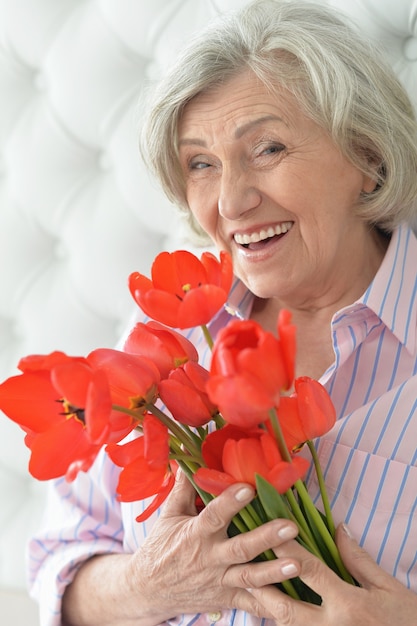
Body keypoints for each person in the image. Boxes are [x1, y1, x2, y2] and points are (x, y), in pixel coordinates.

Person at [28, 1, 417, 624]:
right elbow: (57, 561)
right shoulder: (168, 340)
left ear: (367, 157)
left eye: (267, 148)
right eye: (201, 163)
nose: (231, 201)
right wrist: (148, 585)